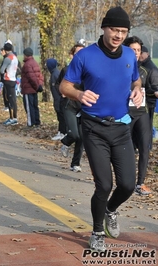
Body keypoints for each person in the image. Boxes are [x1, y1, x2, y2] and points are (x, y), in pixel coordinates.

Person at [59, 6, 143, 251]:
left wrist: (137, 88)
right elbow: (65, 86)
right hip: (94, 128)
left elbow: (135, 78)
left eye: (123, 31)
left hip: (121, 128)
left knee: (128, 184)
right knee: (104, 185)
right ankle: (96, 232)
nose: (118, 35)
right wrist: (79, 93)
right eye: (114, 29)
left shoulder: (129, 55)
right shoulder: (85, 56)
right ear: (104, 28)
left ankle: (110, 209)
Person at [123, 36, 152, 196]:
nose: (136, 53)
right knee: (125, 149)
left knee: (145, 148)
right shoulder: (120, 68)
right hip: (125, 114)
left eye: (138, 50)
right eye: (133, 49)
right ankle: (125, 180)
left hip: (141, 113)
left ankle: (140, 183)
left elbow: (151, 90)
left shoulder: (144, 71)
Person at [57, 43, 85, 172]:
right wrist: (63, 93)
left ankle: (75, 163)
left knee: (82, 136)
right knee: (75, 134)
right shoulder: (66, 70)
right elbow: (59, 85)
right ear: (72, 55)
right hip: (70, 106)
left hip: (84, 107)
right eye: (77, 53)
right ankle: (66, 142)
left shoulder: (88, 71)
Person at [139, 46, 158, 148]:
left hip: (149, 103)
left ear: (147, 54)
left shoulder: (152, 69)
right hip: (141, 102)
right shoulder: (141, 66)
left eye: (141, 52)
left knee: (147, 126)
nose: (140, 54)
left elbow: (155, 88)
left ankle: (148, 146)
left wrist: (147, 92)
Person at [20, 47, 44, 127]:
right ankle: (37, 121)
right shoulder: (35, 63)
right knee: (35, 106)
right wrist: (39, 85)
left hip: (28, 89)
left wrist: (36, 86)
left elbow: (31, 77)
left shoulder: (27, 65)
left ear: (25, 55)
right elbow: (39, 75)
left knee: (29, 107)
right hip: (34, 89)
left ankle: (31, 123)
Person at [47, 58, 66, 140]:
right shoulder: (54, 73)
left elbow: (60, 87)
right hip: (57, 99)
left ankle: (63, 132)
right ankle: (61, 131)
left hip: (59, 99)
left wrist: (61, 95)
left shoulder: (56, 74)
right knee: (59, 116)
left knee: (61, 116)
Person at [0, 42, 19, 125]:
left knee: (9, 99)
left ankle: (12, 118)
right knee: (13, 99)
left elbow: (1, 70)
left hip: (8, 80)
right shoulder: (15, 57)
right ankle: (14, 117)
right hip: (13, 79)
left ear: (5, 50)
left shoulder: (7, 58)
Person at [0, 47, 9, 111]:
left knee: (6, 93)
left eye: (2, 51)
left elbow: (4, 69)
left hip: (6, 79)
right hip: (4, 79)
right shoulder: (4, 58)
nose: (1, 52)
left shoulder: (6, 59)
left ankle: (7, 106)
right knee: (4, 92)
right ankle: (6, 105)